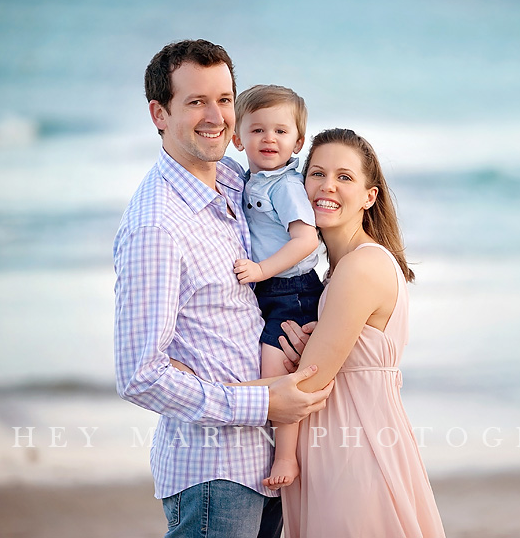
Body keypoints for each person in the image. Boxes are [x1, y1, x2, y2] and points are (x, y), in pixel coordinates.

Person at [113, 39, 333, 538]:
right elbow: (139, 376)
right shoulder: (158, 225)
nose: (217, 117)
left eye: (225, 100)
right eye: (196, 102)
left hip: (267, 462)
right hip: (213, 471)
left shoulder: (236, 181)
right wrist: (263, 402)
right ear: (159, 114)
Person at [278, 128, 447, 537]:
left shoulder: (361, 267)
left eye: (345, 177)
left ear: (369, 197)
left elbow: (309, 384)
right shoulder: (335, 273)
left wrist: (206, 387)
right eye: (316, 174)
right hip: (343, 443)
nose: (327, 186)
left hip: (354, 451)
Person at [230, 84, 323, 490]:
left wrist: (261, 269)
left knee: (276, 369)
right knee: (267, 365)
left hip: (292, 288)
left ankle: (286, 455)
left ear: (298, 141)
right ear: (236, 138)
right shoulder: (248, 179)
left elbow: (307, 240)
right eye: (257, 130)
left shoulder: (285, 186)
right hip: (270, 288)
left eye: (281, 132)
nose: (269, 139)